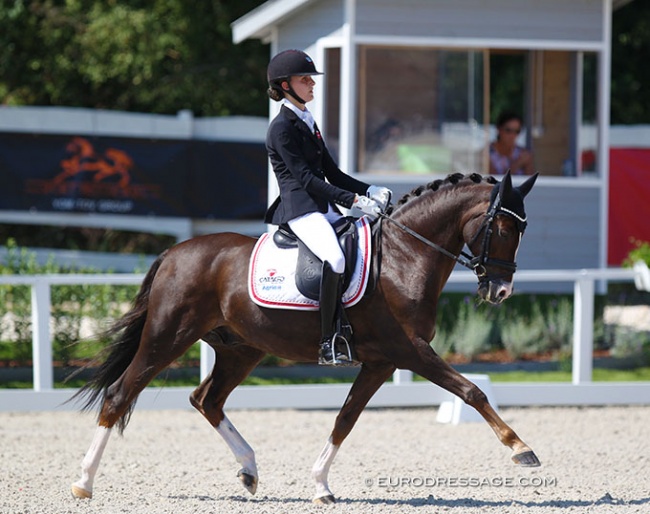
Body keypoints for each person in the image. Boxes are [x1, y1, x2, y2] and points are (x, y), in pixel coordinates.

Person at [264, 49, 392, 366]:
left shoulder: (307, 121)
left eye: (311, 79)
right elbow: (306, 179)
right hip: (301, 210)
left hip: (323, 207)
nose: (312, 84)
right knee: (334, 259)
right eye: (304, 79)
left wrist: (368, 189)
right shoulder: (281, 129)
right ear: (284, 85)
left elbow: (331, 173)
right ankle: (329, 340)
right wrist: (353, 201)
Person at [489, 111, 534, 176]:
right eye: (508, 130)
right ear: (499, 129)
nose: (513, 135)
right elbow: (495, 182)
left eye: (517, 131)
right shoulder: (487, 154)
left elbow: (531, 182)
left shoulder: (523, 154)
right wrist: (517, 164)